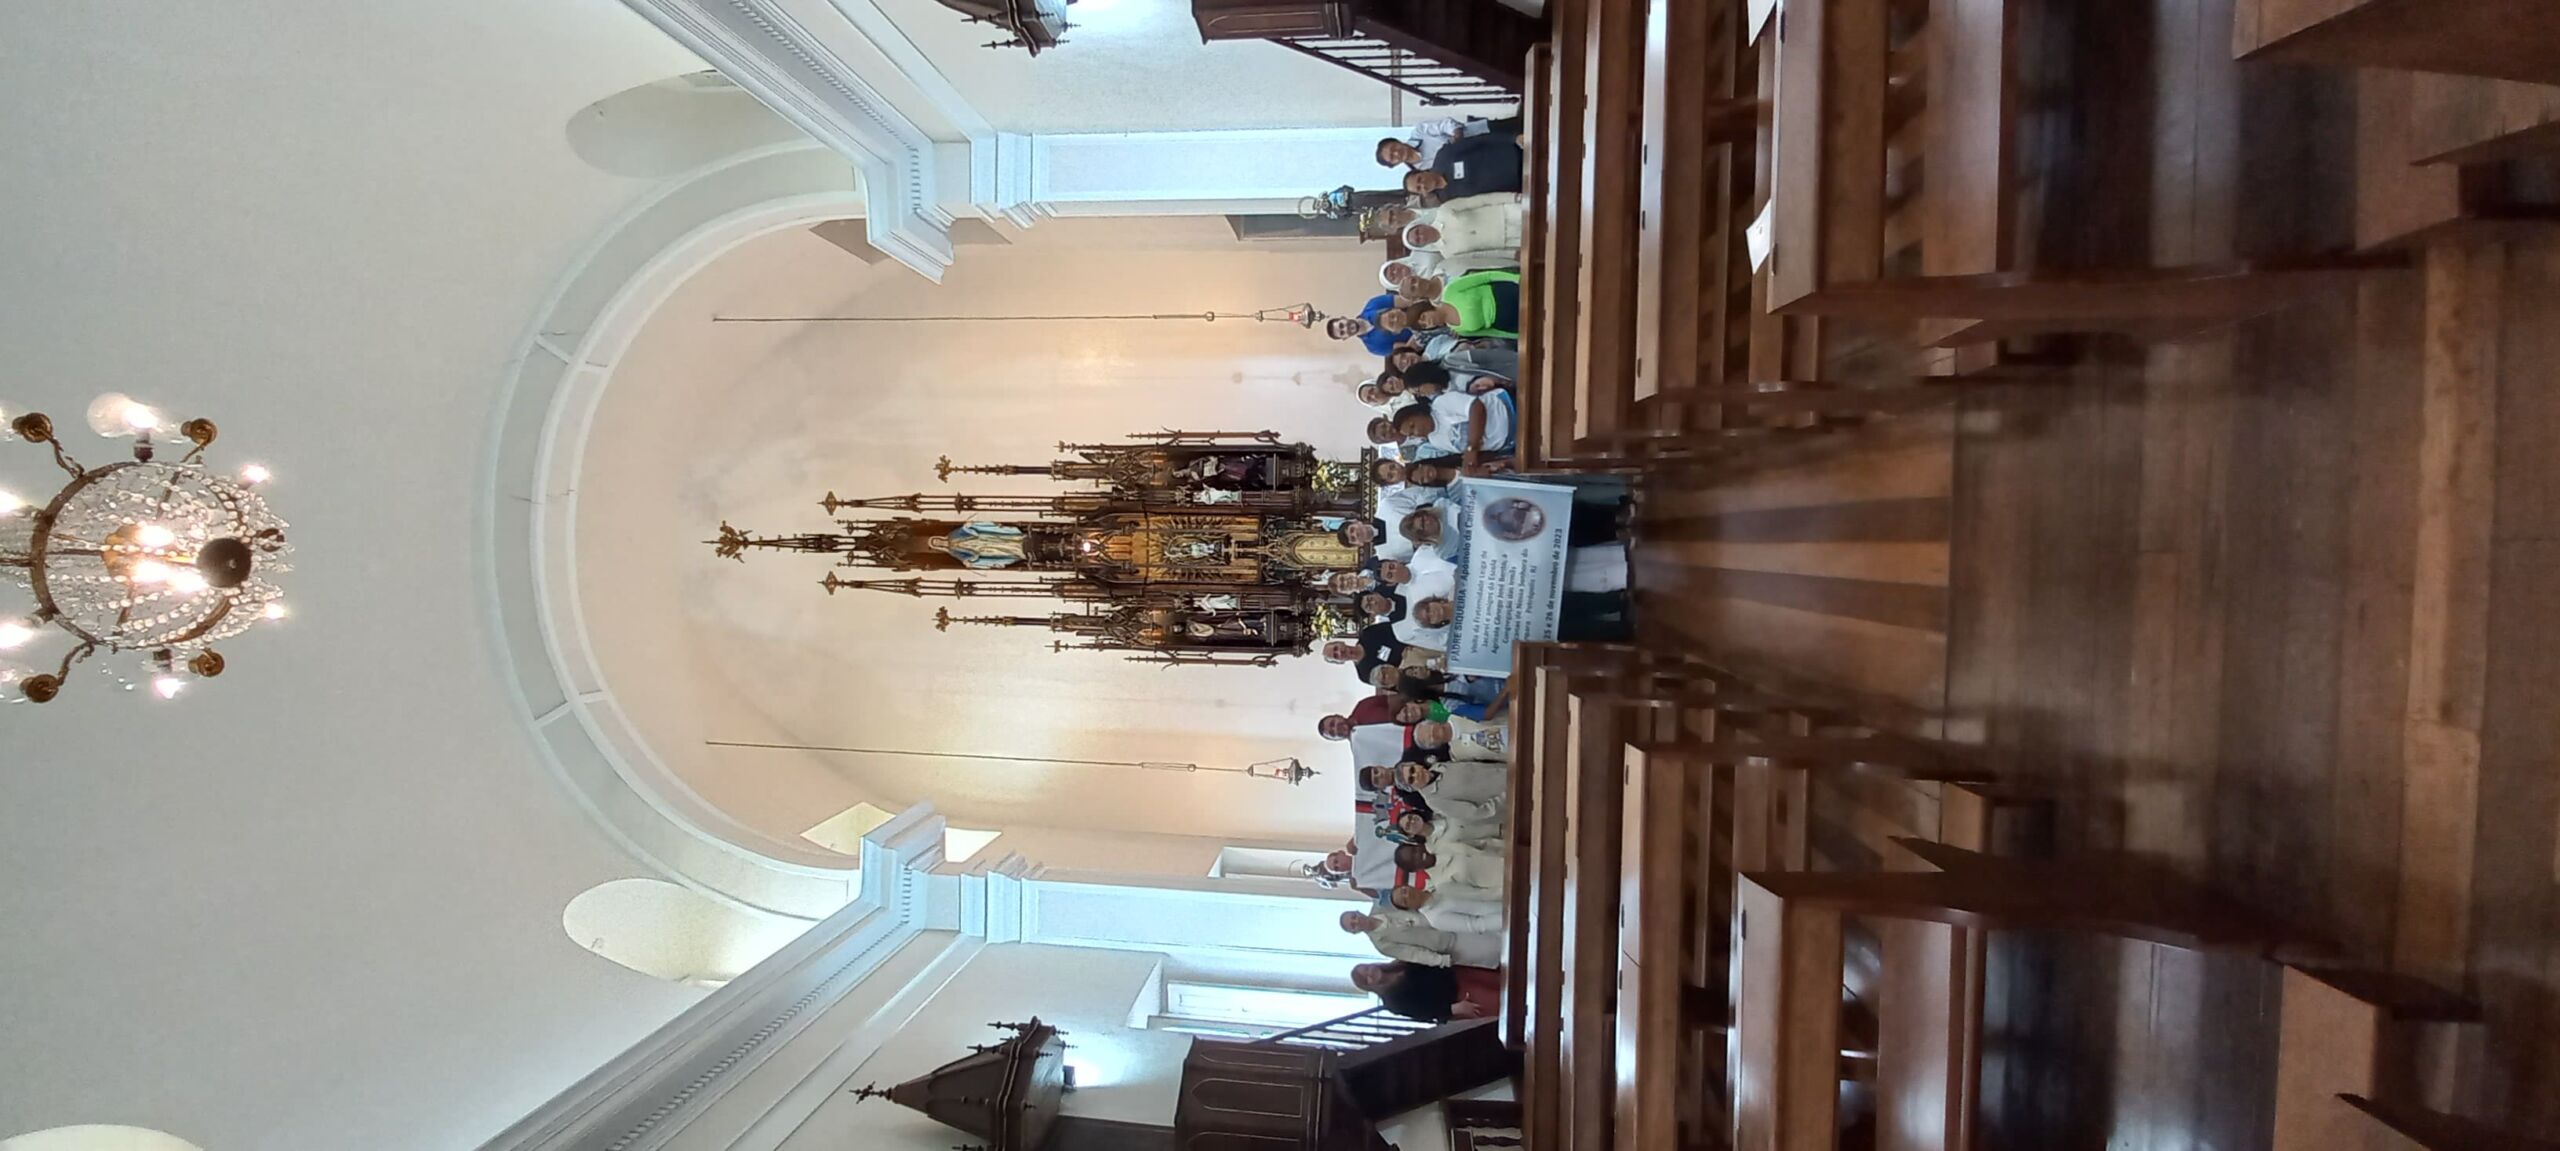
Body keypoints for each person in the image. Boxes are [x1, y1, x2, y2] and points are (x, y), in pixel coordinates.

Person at [1342, 907, 1504, 970]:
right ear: (1355, 932)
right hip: (1449, 943)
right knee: (1496, 949)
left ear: (1358, 911)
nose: (1357, 921)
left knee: (1496, 925)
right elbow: (1412, 954)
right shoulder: (1381, 944)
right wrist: (1439, 960)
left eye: (1354, 917)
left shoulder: (1382, 906)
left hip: (1448, 916)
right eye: (1353, 925)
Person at [1351, 961, 1499, 1023]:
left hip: (1460, 973)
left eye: (1367, 969)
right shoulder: (1392, 1002)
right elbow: (1424, 1013)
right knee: (1502, 1002)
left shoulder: (1398, 964)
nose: (1370, 973)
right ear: (1369, 986)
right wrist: (1455, 1009)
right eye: (1366, 979)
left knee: (1505, 979)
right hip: (1459, 998)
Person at [1402, 192, 1524, 267]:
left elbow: (1480, 200)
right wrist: (1511, 254)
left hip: (1507, 213)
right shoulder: (1448, 253)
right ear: (1422, 246)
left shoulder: (1444, 210)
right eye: (1418, 240)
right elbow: (1480, 255)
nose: (1421, 236)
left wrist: (1513, 197)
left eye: (1417, 232)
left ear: (1420, 225)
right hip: (1507, 241)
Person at [1427, 127, 1527, 198]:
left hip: (1517, 155)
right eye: (1419, 189)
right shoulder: (1447, 197)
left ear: (1422, 172)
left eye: (1420, 179)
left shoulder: (1444, 156)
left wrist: (1513, 138)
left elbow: (1480, 140)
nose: (1423, 185)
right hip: (1519, 184)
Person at [1423, 270, 1522, 341]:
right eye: (1424, 326)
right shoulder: (1459, 331)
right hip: (1506, 323)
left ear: (1426, 308)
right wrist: (1518, 335)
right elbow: (1492, 332)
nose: (1428, 322)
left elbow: (1487, 276)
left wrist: (1515, 278)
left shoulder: (1450, 291)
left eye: (1423, 317)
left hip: (1505, 294)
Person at [1395, 839, 1507, 894]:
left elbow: (1483, 843)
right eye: (1413, 859)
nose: (1418, 855)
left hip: (1509, 854)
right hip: (1506, 881)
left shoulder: (1443, 844)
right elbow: (1478, 894)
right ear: (1415, 869)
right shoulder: (1441, 883)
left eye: (1414, 850)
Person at [1388, 882, 1505, 933]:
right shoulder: (1435, 918)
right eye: (1405, 901)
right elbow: (1476, 925)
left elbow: (1477, 890)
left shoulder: (1440, 886)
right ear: (1410, 909)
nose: (1408, 895)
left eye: (1404, 891)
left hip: (1503, 893)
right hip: (1503, 914)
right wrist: (1508, 918)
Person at [924, 522, 1029, 569]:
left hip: (980, 538)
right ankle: (1017, 551)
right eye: (936, 544)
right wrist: (967, 561)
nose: (938, 542)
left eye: (936, 540)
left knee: (999, 539)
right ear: (938, 547)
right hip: (981, 550)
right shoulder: (952, 551)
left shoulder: (952, 535)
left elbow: (963, 530)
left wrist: (967, 527)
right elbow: (963, 557)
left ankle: (1018, 540)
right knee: (999, 550)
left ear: (939, 538)